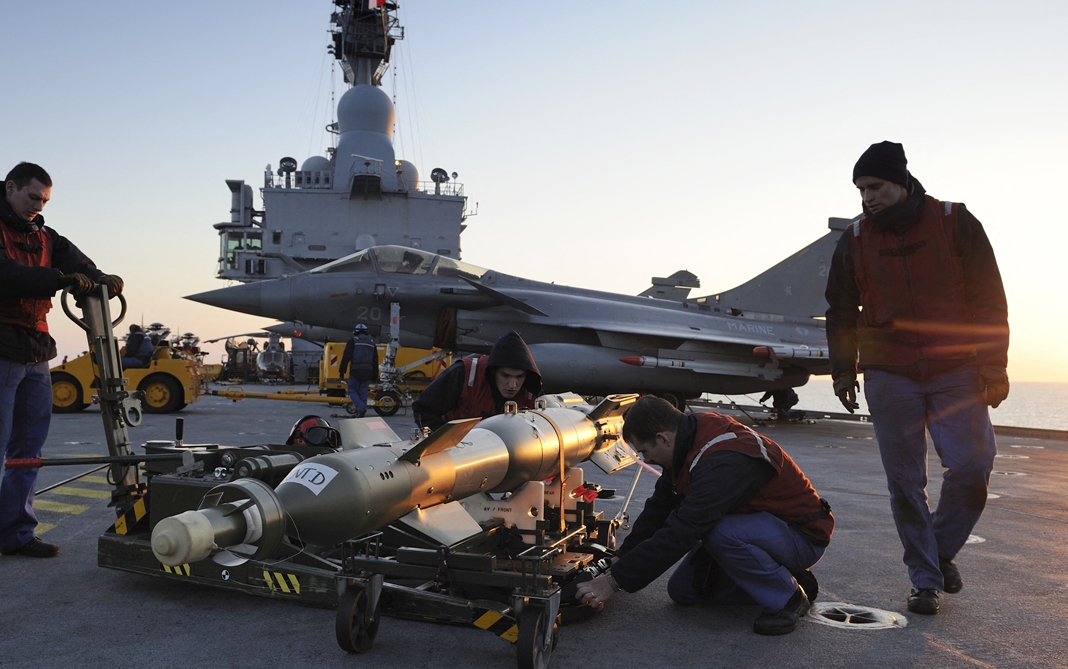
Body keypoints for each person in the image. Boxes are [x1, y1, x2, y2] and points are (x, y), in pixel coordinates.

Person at [824, 141, 1009, 615]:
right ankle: (924, 579)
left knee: (973, 467)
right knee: (905, 483)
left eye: (876, 186)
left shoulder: (954, 221)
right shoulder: (857, 239)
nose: (867, 197)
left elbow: (989, 297)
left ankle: (939, 551)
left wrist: (994, 365)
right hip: (890, 375)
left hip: (957, 369)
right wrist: (844, 370)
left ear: (901, 182)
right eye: (861, 189)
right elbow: (841, 311)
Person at [0, 162, 123, 567]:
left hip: (34, 353)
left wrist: (103, 279)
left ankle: (17, 534)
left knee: (28, 450)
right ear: (10, 187)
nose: (37, 207)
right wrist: (60, 280)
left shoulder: (44, 234)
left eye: (44, 201)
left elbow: (82, 265)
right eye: (32, 198)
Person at [573, 395, 833, 636]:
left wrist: (614, 582)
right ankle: (791, 577)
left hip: (802, 536)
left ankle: (787, 598)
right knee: (685, 591)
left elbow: (685, 529)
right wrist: (622, 557)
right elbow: (660, 508)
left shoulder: (723, 459)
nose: (646, 459)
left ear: (663, 438)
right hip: (760, 529)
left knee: (719, 533)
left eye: (645, 450)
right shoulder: (688, 438)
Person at [411, 330, 541, 429]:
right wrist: (448, 444)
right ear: (493, 371)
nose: (512, 385)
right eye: (505, 376)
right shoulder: (464, 373)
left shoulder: (532, 389)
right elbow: (423, 409)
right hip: (460, 454)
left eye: (519, 377)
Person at [339, 323, 378, 416]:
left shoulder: (353, 341)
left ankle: (360, 408)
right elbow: (375, 360)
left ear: (355, 332)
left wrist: (342, 371)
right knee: (363, 391)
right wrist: (375, 375)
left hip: (356, 370)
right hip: (368, 371)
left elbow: (346, 357)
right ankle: (360, 412)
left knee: (352, 389)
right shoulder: (372, 343)